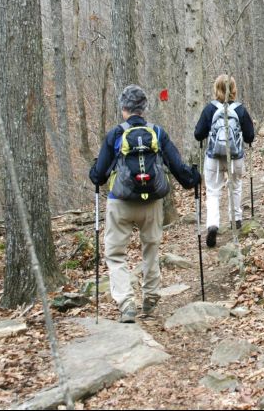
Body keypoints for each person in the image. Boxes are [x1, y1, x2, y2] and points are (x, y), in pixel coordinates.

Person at [90, 85, 200, 323]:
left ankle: (126, 303)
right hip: (152, 202)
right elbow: (177, 167)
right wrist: (192, 179)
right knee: (151, 248)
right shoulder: (157, 133)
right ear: (144, 108)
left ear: (124, 108)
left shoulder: (115, 134)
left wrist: (94, 171)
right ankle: (150, 298)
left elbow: (98, 176)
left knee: (115, 254)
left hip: (120, 202)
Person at [194, 75, 255, 248]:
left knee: (213, 192)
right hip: (235, 157)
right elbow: (250, 136)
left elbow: (198, 134)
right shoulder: (240, 110)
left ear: (216, 89)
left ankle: (213, 224)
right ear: (233, 89)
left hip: (213, 157)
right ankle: (236, 219)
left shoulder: (209, 109)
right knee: (235, 187)